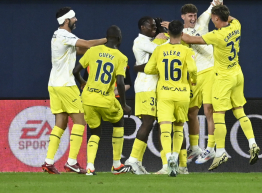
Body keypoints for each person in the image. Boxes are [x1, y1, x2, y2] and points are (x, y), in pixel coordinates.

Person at [181, 5, 260, 171]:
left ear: (216, 19)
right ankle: (252, 143)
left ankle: (221, 152)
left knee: (218, 115)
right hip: (238, 74)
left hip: (223, 79)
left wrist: (173, 30)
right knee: (239, 111)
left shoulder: (217, 35)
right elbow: (231, 18)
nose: (213, 21)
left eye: (214, 19)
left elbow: (189, 40)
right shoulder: (236, 26)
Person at [161, 0, 232, 164]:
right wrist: (166, 33)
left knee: (209, 111)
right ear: (183, 17)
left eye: (194, 15)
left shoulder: (202, 23)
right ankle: (194, 147)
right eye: (190, 16)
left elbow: (215, 5)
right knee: (192, 112)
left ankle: (211, 148)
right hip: (192, 78)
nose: (193, 18)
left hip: (209, 72)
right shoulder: (176, 33)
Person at [43, 7, 106, 174]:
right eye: (73, 18)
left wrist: (95, 50)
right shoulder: (65, 34)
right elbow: (86, 44)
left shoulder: (57, 35)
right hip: (66, 85)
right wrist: (107, 40)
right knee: (80, 121)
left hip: (54, 84)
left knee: (61, 124)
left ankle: (48, 162)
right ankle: (71, 162)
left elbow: (79, 49)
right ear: (66, 21)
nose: (76, 20)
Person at [73, 25, 133, 175]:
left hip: (87, 98)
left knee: (95, 131)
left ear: (107, 38)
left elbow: (75, 71)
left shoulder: (92, 51)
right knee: (119, 121)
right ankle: (116, 165)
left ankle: (90, 167)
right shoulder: (121, 57)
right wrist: (124, 104)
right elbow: (120, 82)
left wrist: (81, 81)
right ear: (119, 39)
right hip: (105, 99)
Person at [144, 20, 197, 177]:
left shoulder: (160, 50)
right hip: (182, 94)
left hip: (165, 93)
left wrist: (158, 69)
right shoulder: (187, 51)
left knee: (165, 128)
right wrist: (193, 82)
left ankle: (168, 160)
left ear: (168, 33)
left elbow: (148, 69)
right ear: (182, 34)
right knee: (179, 127)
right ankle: (176, 156)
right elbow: (193, 69)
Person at [124, 16, 167, 175]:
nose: (154, 28)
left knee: (153, 123)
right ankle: (132, 160)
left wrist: (160, 35)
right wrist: (161, 36)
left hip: (152, 87)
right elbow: (161, 52)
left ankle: (136, 161)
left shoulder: (151, 40)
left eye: (156, 26)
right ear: (142, 27)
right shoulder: (140, 41)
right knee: (148, 122)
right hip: (145, 86)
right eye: (151, 26)